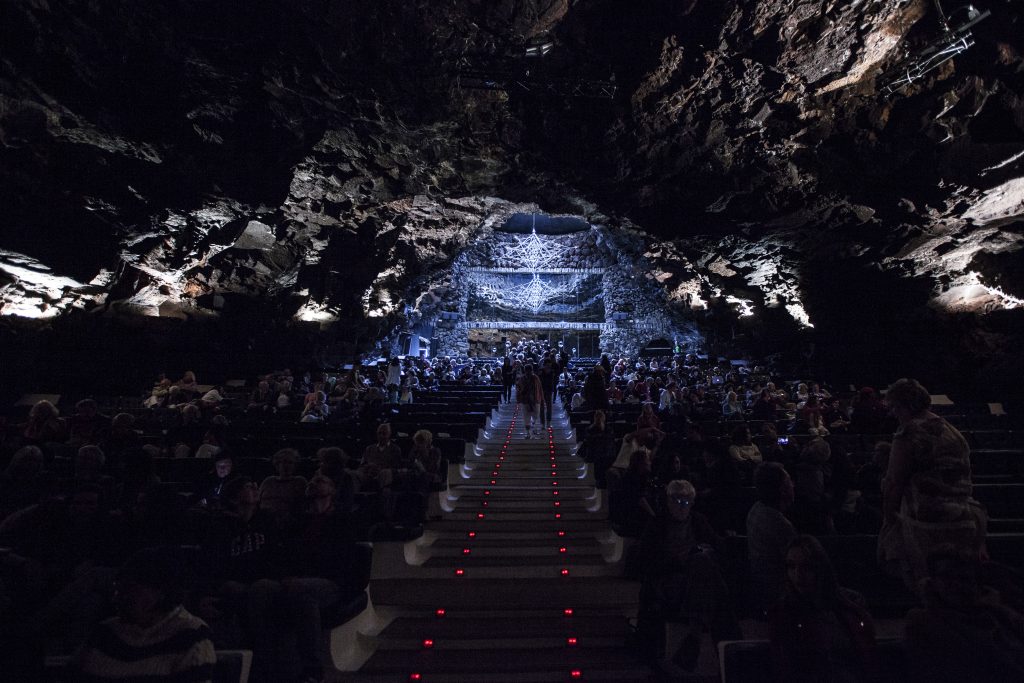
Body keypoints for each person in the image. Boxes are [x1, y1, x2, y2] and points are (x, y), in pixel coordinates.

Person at [877, 378, 987, 591]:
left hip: (928, 523)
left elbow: (894, 482)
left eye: (894, 407)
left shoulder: (909, 433)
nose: (892, 413)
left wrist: (889, 520)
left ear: (906, 405)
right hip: (965, 519)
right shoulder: (951, 430)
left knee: (930, 587)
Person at [635, 480, 739, 670]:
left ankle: (695, 638)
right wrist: (678, 560)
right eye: (677, 501)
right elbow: (646, 560)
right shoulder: (657, 524)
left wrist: (705, 550)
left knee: (703, 563)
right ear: (668, 501)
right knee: (711, 580)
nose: (682, 507)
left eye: (687, 502)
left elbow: (718, 546)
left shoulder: (698, 520)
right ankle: (728, 653)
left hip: (695, 580)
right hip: (668, 580)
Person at [75, 546, 216, 683]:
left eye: (128, 589)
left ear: (159, 592)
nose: (117, 598)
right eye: (117, 590)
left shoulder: (190, 636)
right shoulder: (104, 634)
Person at [905, 545, 1024, 682]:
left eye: (963, 578)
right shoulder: (923, 620)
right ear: (933, 582)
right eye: (947, 577)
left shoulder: (995, 613)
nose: (956, 584)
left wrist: (1000, 608)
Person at [770, 536, 877, 682]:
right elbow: (787, 669)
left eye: (806, 567)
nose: (797, 575)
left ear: (820, 568)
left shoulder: (850, 604)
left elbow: (868, 658)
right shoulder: (785, 611)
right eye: (791, 566)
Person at [747, 462, 798, 613]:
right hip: (778, 590)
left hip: (762, 584)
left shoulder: (756, 509)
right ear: (782, 490)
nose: (793, 485)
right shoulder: (780, 525)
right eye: (789, 481)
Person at [259, 448, 308, 520]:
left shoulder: (300, 481)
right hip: (265, 519)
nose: (286, 465)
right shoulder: (268, 481)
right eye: (283, 462)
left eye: (290, 462)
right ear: (277, 464)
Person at [517, 364, 544, 438]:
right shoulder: (522, 379)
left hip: (535, 400)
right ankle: (528, 432)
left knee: (535, 416)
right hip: (525, 400)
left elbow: (539, 388)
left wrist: (541, 398)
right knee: (526, 417)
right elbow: (519, 389)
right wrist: (519, 399)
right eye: (527, 371)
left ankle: (532, 427)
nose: (528, 372)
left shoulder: (535, 378)